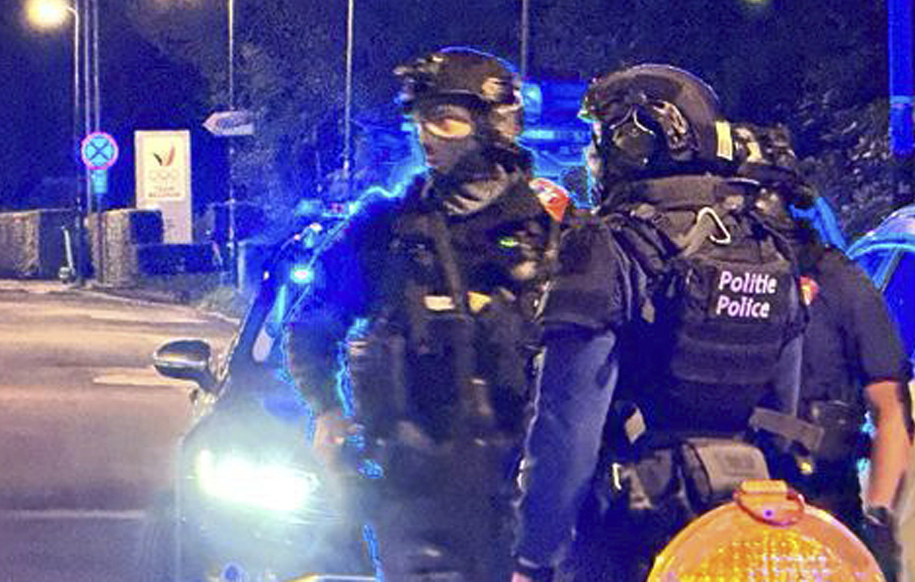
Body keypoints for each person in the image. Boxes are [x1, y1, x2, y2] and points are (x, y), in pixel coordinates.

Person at [510, 65, 807, 582]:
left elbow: (569, 427)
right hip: (737, 529)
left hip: (627, 533)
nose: (593, 155)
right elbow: (783, 412)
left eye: (602, 137)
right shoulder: (766, 244)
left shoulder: (605, 247)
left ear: (637, 140)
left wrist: (535, 556)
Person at [285, 47, 565, 582]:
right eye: (420, 120)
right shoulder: (386, 230)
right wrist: (326, 409)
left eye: (445, 120)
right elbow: (311, 322)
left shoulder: (551, 233)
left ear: (494, 126)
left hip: (516, 495)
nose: (427, 136)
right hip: (408, 490)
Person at [736, 123, 911, 578]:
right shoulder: (701, 283)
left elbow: (891, 410)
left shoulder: (838, 281)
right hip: (725, 509)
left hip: (819, 509)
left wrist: (878, 520)